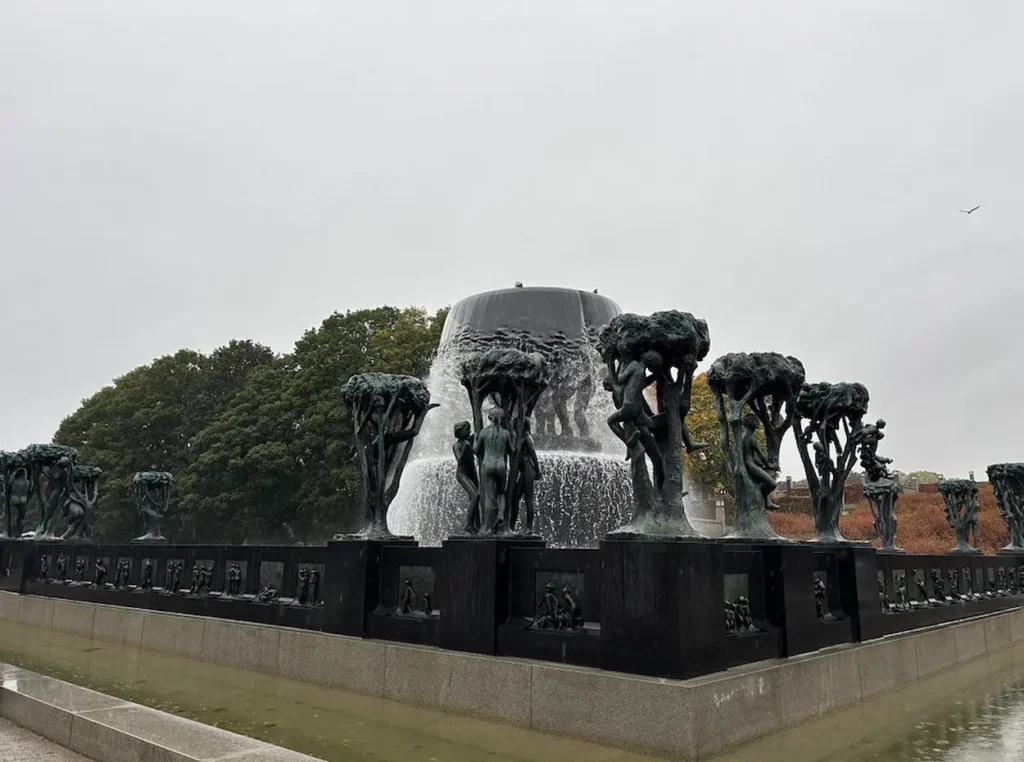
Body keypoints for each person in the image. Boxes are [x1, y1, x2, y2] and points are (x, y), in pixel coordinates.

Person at [475, 408, 514, 532]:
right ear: (502, 418)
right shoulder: (505, 433)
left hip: (487, 465)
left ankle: (488, 527)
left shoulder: (483, 433)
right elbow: (511, 451)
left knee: (489, 498)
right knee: (501, 493)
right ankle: (501, 515)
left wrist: (475, 441)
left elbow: (476, 451)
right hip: (501, 466)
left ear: (489, 417)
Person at [510, 419, 542, 534]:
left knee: (528, 498)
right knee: (515, 498)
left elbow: (533, 454)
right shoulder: (518, 438)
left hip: (528, 470)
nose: (513, 426)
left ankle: (529, 528)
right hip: (523, 471)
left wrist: (538, 471)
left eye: (515, 424)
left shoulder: (527, 437)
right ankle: (511, 527)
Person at [452, 421, 480, 534]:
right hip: (462, 474)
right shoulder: (456, 445)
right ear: (460, 432)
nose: (469, 432)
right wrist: (466, 449)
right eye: (467, 430)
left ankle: (477, 525)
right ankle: (469, 524)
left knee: (476, 497)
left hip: (471, 474)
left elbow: (476, 452)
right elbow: (459, 460)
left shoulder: (469, 442)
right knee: (475, 495)